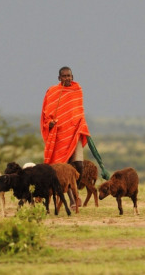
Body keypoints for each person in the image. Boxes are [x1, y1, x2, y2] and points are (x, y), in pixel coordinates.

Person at [40, 66, 90, 208]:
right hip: (60, 137)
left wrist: (82, 126)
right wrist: (50, 124)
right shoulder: (52, 92)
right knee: (63, 169)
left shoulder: (77, 91)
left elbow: (79, 113)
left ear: (72, 76)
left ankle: (76, 191)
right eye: (64, 76)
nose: (67, 78)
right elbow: (46, 115)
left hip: (75, 134)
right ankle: (73, 201)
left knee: (79, 165)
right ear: (59, 78)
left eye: (69, 75)